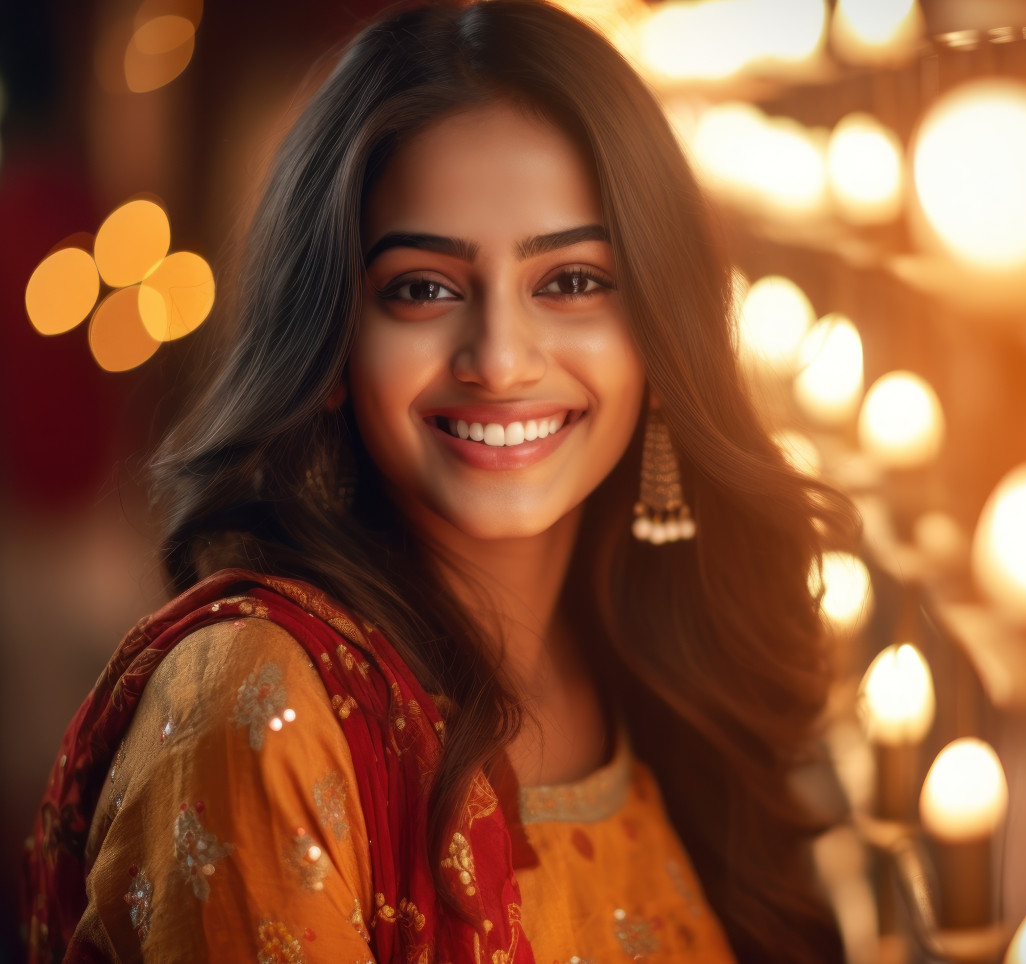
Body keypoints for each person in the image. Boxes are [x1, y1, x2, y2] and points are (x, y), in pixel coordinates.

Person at [23, 1, 859, 961]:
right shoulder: (266, 705)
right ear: (334, 345)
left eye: (572, 281)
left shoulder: (670, 666)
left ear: (661, 334)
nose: (500, 361)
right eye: (423, 288)